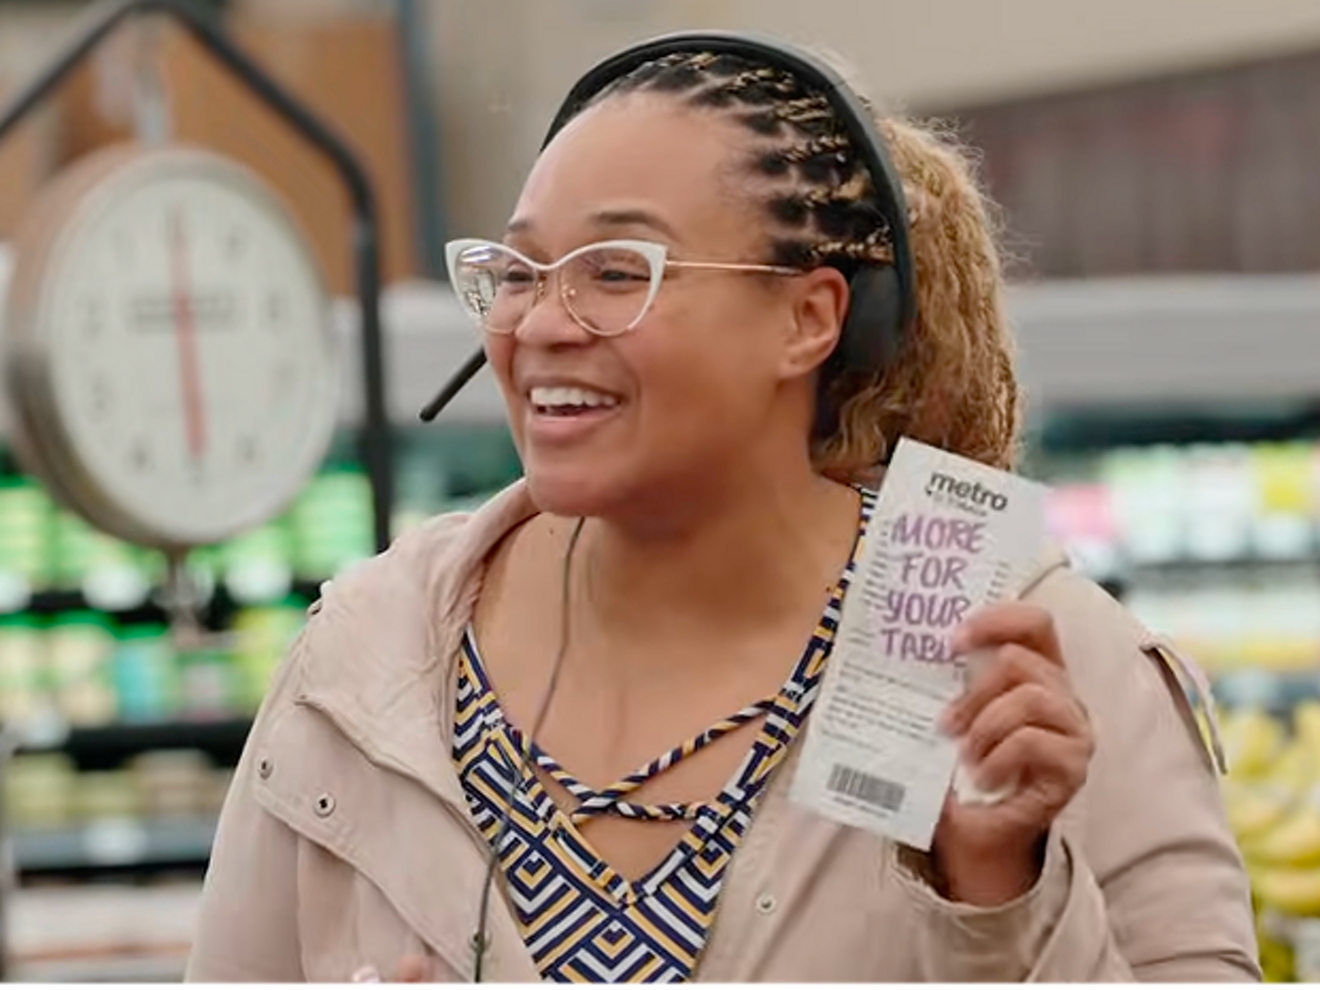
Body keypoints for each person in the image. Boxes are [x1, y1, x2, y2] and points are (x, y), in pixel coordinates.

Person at [186, 34, 1259, 983]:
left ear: (808, 318)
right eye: (516, 271)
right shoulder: (367, 660)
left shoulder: (1025, 665)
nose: (541, 323)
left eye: (616, 270)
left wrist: (998, 897)